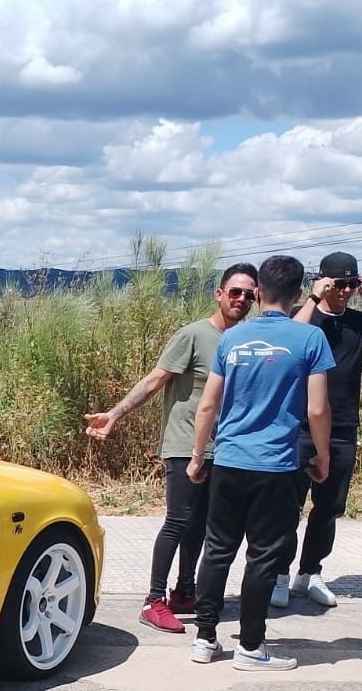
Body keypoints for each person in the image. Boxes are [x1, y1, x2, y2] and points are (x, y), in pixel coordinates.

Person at [84, 263, 260, 633]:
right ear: (220, 294)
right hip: (184, 443)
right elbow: (155, 380)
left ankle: (185, 591)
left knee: (201, 523)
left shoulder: (246, 341)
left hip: (222, 447)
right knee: (179, 520)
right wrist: (114, 414)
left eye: (249, 294)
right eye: (235, 292)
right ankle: (153, 599)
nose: (242, 299)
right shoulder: (193, 335)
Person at [187, 255, 333, 671]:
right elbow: (318, 410)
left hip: (229, 460)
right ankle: (250, 646)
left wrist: (198, 456)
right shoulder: (309, 338)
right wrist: (322, 457)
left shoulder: (232, 338)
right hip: (277, 465)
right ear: (298, 293)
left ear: (258, 292)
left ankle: (204, 638)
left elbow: (208, 405)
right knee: (264, 556)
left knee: (217, 550)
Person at [271, 250, 362, 608]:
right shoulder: (304, 317)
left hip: (342, 426)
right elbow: (288, 339)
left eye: (351, 284)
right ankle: (279, 574)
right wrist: (314, 299)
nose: (345, 291)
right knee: (289, 507)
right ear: (324, 282)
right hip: (298, 427)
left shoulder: (358, 322)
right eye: (339, 284)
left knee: (329, 508)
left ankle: (309, 573)